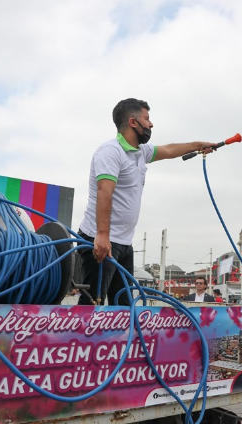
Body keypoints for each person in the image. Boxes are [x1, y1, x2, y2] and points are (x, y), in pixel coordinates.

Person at [78, 98, 216, 306]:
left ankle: (121, 339)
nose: (151, 124)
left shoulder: (141, 152)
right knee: (92, 302)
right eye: (147, 118)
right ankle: (81, 339)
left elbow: (169, 150)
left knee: (124, 305)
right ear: (133, 122)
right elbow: (104, 192)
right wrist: (103, 235)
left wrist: (199, 146)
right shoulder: (110, 152)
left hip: (123, 243)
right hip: (101, 240)